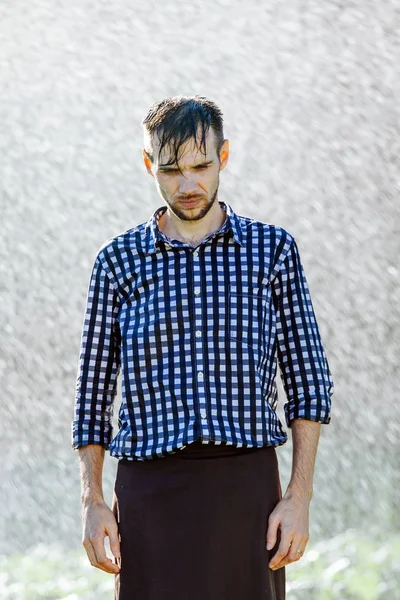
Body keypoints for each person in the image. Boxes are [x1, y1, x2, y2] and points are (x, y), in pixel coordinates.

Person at [71, 94, 335, 600]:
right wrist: (93, 501)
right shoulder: (117, 263)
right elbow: (92, 397)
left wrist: (299, 497)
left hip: (247, 489)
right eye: (170, 170)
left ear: (224, 157)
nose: (188, 184)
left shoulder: (272, 250)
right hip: (148, 495)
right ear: (149, 165)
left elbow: (308, 385)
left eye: (200, 165)